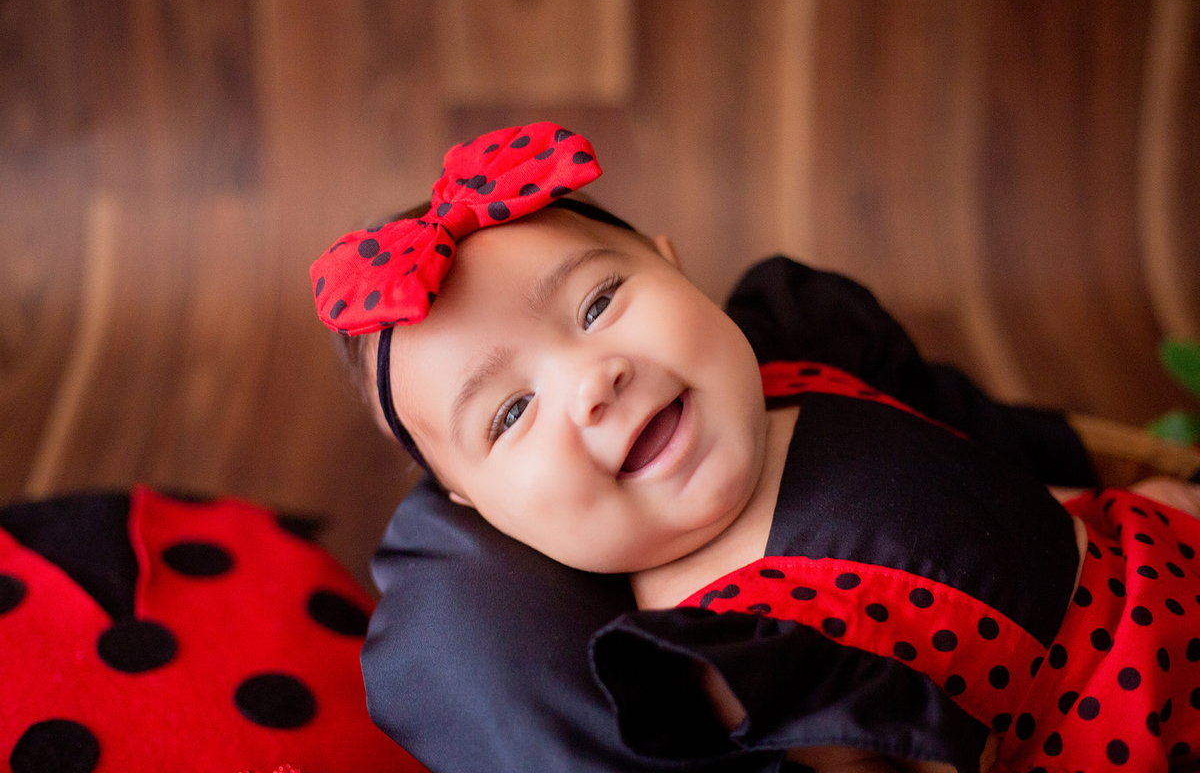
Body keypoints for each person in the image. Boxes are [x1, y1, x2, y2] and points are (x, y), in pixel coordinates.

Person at [312, 123, 1200, 772]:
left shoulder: (799, 364)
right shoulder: (724, 645)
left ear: (678, 268)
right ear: (480, 511)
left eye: (596, 305)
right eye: (508, 415)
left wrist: (1133, 522)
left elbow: (993, 455)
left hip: (1147, 564)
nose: (593, 381)